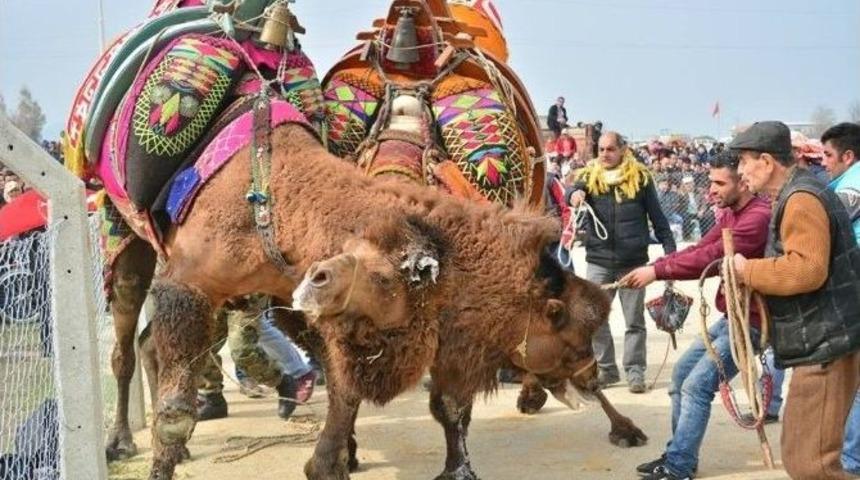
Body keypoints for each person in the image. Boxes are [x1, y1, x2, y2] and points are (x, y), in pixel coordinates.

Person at [621, 150, 771, 480]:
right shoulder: (733, 213)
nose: (711, 190)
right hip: (731, 318)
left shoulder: (757, 218)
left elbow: (712, 257)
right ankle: (680, 456)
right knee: (681, 379)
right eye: (711, 182)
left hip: (751, 322)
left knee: (696, 387)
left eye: (719, 183)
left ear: (742, 183)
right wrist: (657, 267)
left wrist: (657, 272)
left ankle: (678, 466)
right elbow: (703, 247)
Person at [731, 121, 860, 480]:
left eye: (744, 162)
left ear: (767, 161)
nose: (740, 172)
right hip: (822, 340)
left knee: (812, 465)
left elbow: (808, 270)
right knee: (804, 458)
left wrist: (748, 272)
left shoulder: (801, 199)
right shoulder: (798, 193)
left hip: (825, 345)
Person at [567, 131, 676, 393]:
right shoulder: (589, 177)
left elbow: (658, 217)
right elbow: (572, 190)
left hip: (633, 262)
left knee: (634, 322)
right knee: (593, 318)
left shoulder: (639, 178)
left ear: (622, 150)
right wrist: (573, 195)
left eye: (610, 149)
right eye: (601, 149)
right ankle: (607, 369)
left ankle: (635, 371)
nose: (605, 154)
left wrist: (670, 253)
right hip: (599, 261)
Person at [197, 295, 316, 421]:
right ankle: (212, 399)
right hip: (212, 297)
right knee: (198, 346)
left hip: (243, 298)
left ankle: (282, 381)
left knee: (243, 351)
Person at [820, 122, 860, 476]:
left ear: (848, 156)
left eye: (828, 155)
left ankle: (851, 459)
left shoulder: (854, 184)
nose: (824, 162)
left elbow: (832, 224)